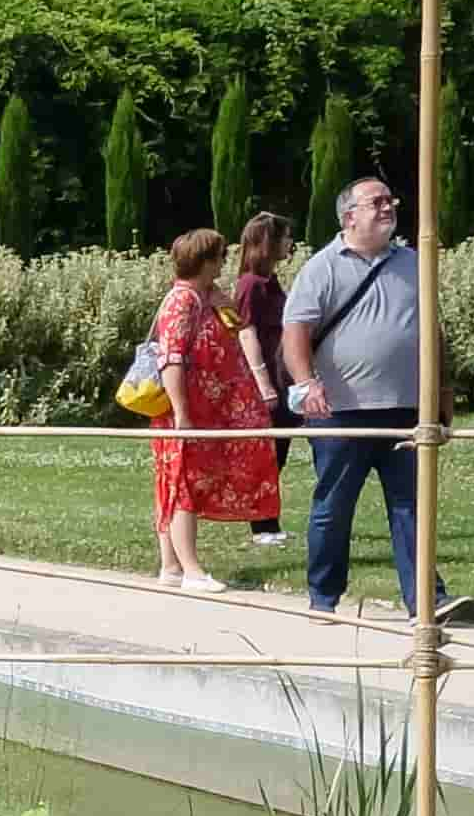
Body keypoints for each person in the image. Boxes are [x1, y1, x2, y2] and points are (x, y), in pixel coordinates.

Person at [280, 173, 432, 618]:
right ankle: (323, 598)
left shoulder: (412, 262)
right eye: (376, 202)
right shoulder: (322, 267)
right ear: (349, 216)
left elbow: (432, 332)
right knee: (334, 506)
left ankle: (425, 601)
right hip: (340, 415)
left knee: (412, 507)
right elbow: (296, 332)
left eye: (391, 200)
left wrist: (442, 394)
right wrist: (306, 384)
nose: (389, 208)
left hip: (405, 409)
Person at [147, 227, 278, 591]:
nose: (224, 262)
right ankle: (191, 569)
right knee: (184, 484)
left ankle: (171, 566)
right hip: (186, 413)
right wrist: (183, 415)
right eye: (219, 256)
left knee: (175, 483)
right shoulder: (183, 301)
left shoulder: (203, 298)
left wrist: (222, 303)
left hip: (202, 410)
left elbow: (236, 329)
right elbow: (171, 360)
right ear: (205, 261)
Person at [226, 211, 295, 547]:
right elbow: (246, 333)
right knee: (268, 453)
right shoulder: (250, 285)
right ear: (269, 241)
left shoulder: (270, 281)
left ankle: (269, 520)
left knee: (278, 452)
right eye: (284, 237)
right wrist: (263, 383)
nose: (289, 243)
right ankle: (261, 525)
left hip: (282, 377)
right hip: (266, 380)